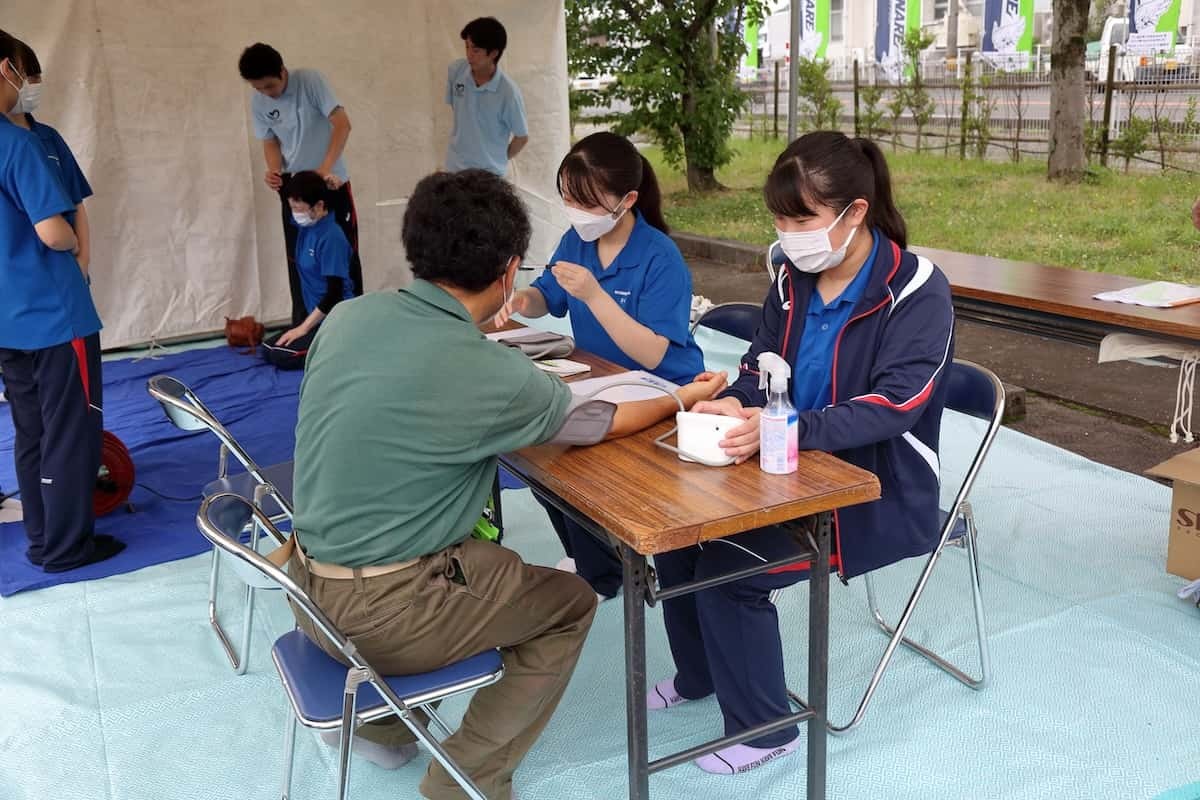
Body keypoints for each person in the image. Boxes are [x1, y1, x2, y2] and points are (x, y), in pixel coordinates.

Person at [288, 168, 725, 800]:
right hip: (389, 613)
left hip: (306, 589)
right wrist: (679, 399)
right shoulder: (484, 368)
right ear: (508, 270)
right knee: (567, 606)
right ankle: (467, 779)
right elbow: (594, 421)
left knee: (494, 560)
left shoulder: (350, 318)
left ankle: (382, 731)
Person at [651, 131, 955, 775]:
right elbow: (761, 362)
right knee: (675, 537)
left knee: (726, 569)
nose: (788, 233)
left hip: (870, 488)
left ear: (854, 213)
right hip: (781, 466)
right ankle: (702, 674)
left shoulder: (917, 289)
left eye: (802, 219)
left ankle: (767, 732)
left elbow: (899, 405)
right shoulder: (793, 275)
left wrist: (785, 431)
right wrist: (735, 402)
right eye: (780, 218)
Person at [498, 131, 705, 601]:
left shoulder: (659, 256)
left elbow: (653, 352)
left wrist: (594, 294)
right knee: (535, 453)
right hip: (605, 381)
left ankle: (603, 571)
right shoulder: (576, 241)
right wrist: (513, 298)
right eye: (568, 198)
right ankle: (597, 561)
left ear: (628, 199)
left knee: (569, 453)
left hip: (665, 389)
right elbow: (546, 297)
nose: (575, 211)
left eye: (587, 201)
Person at [0, 32, 124, 572]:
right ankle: (66, 547)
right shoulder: (19, 145)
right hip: (53, 314)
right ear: (9, 70)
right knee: (70, 429)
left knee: (32, 430)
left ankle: (43, 536)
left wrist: (82, 257)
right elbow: (56, 229)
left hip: (12, 318)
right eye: (24, 75)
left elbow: (76, 205)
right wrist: (70, 248)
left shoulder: (43, 138)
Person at [239, 43, 364, 325]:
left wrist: (325, 169)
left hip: (329, 183)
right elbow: (270, 141)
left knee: (341, 255)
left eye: (270, 86)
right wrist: (274, 171)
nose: (266, 94)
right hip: (295, 188)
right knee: (301, 259)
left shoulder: (310, 81)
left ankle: (354, 323)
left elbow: (342, 124)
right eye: (258, 89)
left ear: (283, 71)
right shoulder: (259, 101)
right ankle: (305, 324)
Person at [260, 171, 354, 369]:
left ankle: (345, 347)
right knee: (268, 349)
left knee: (280, 356)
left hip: (336, 322)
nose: (295, 214)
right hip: (316, 320)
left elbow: (334, 294)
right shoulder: (307, 225)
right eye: (293, 208)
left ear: (319, 206)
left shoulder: (331, 238)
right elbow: (290, 197)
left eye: (299, 209)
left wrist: (302, 328)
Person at [445, 17, 528, 176]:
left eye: (475, 50)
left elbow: (521, 137)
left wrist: (499, 158)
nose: (469, 54)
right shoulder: (455, 71)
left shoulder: (508, 92)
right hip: (455, 168)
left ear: (494, 53)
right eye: (467, 47)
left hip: (489, 175)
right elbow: (457, 109)